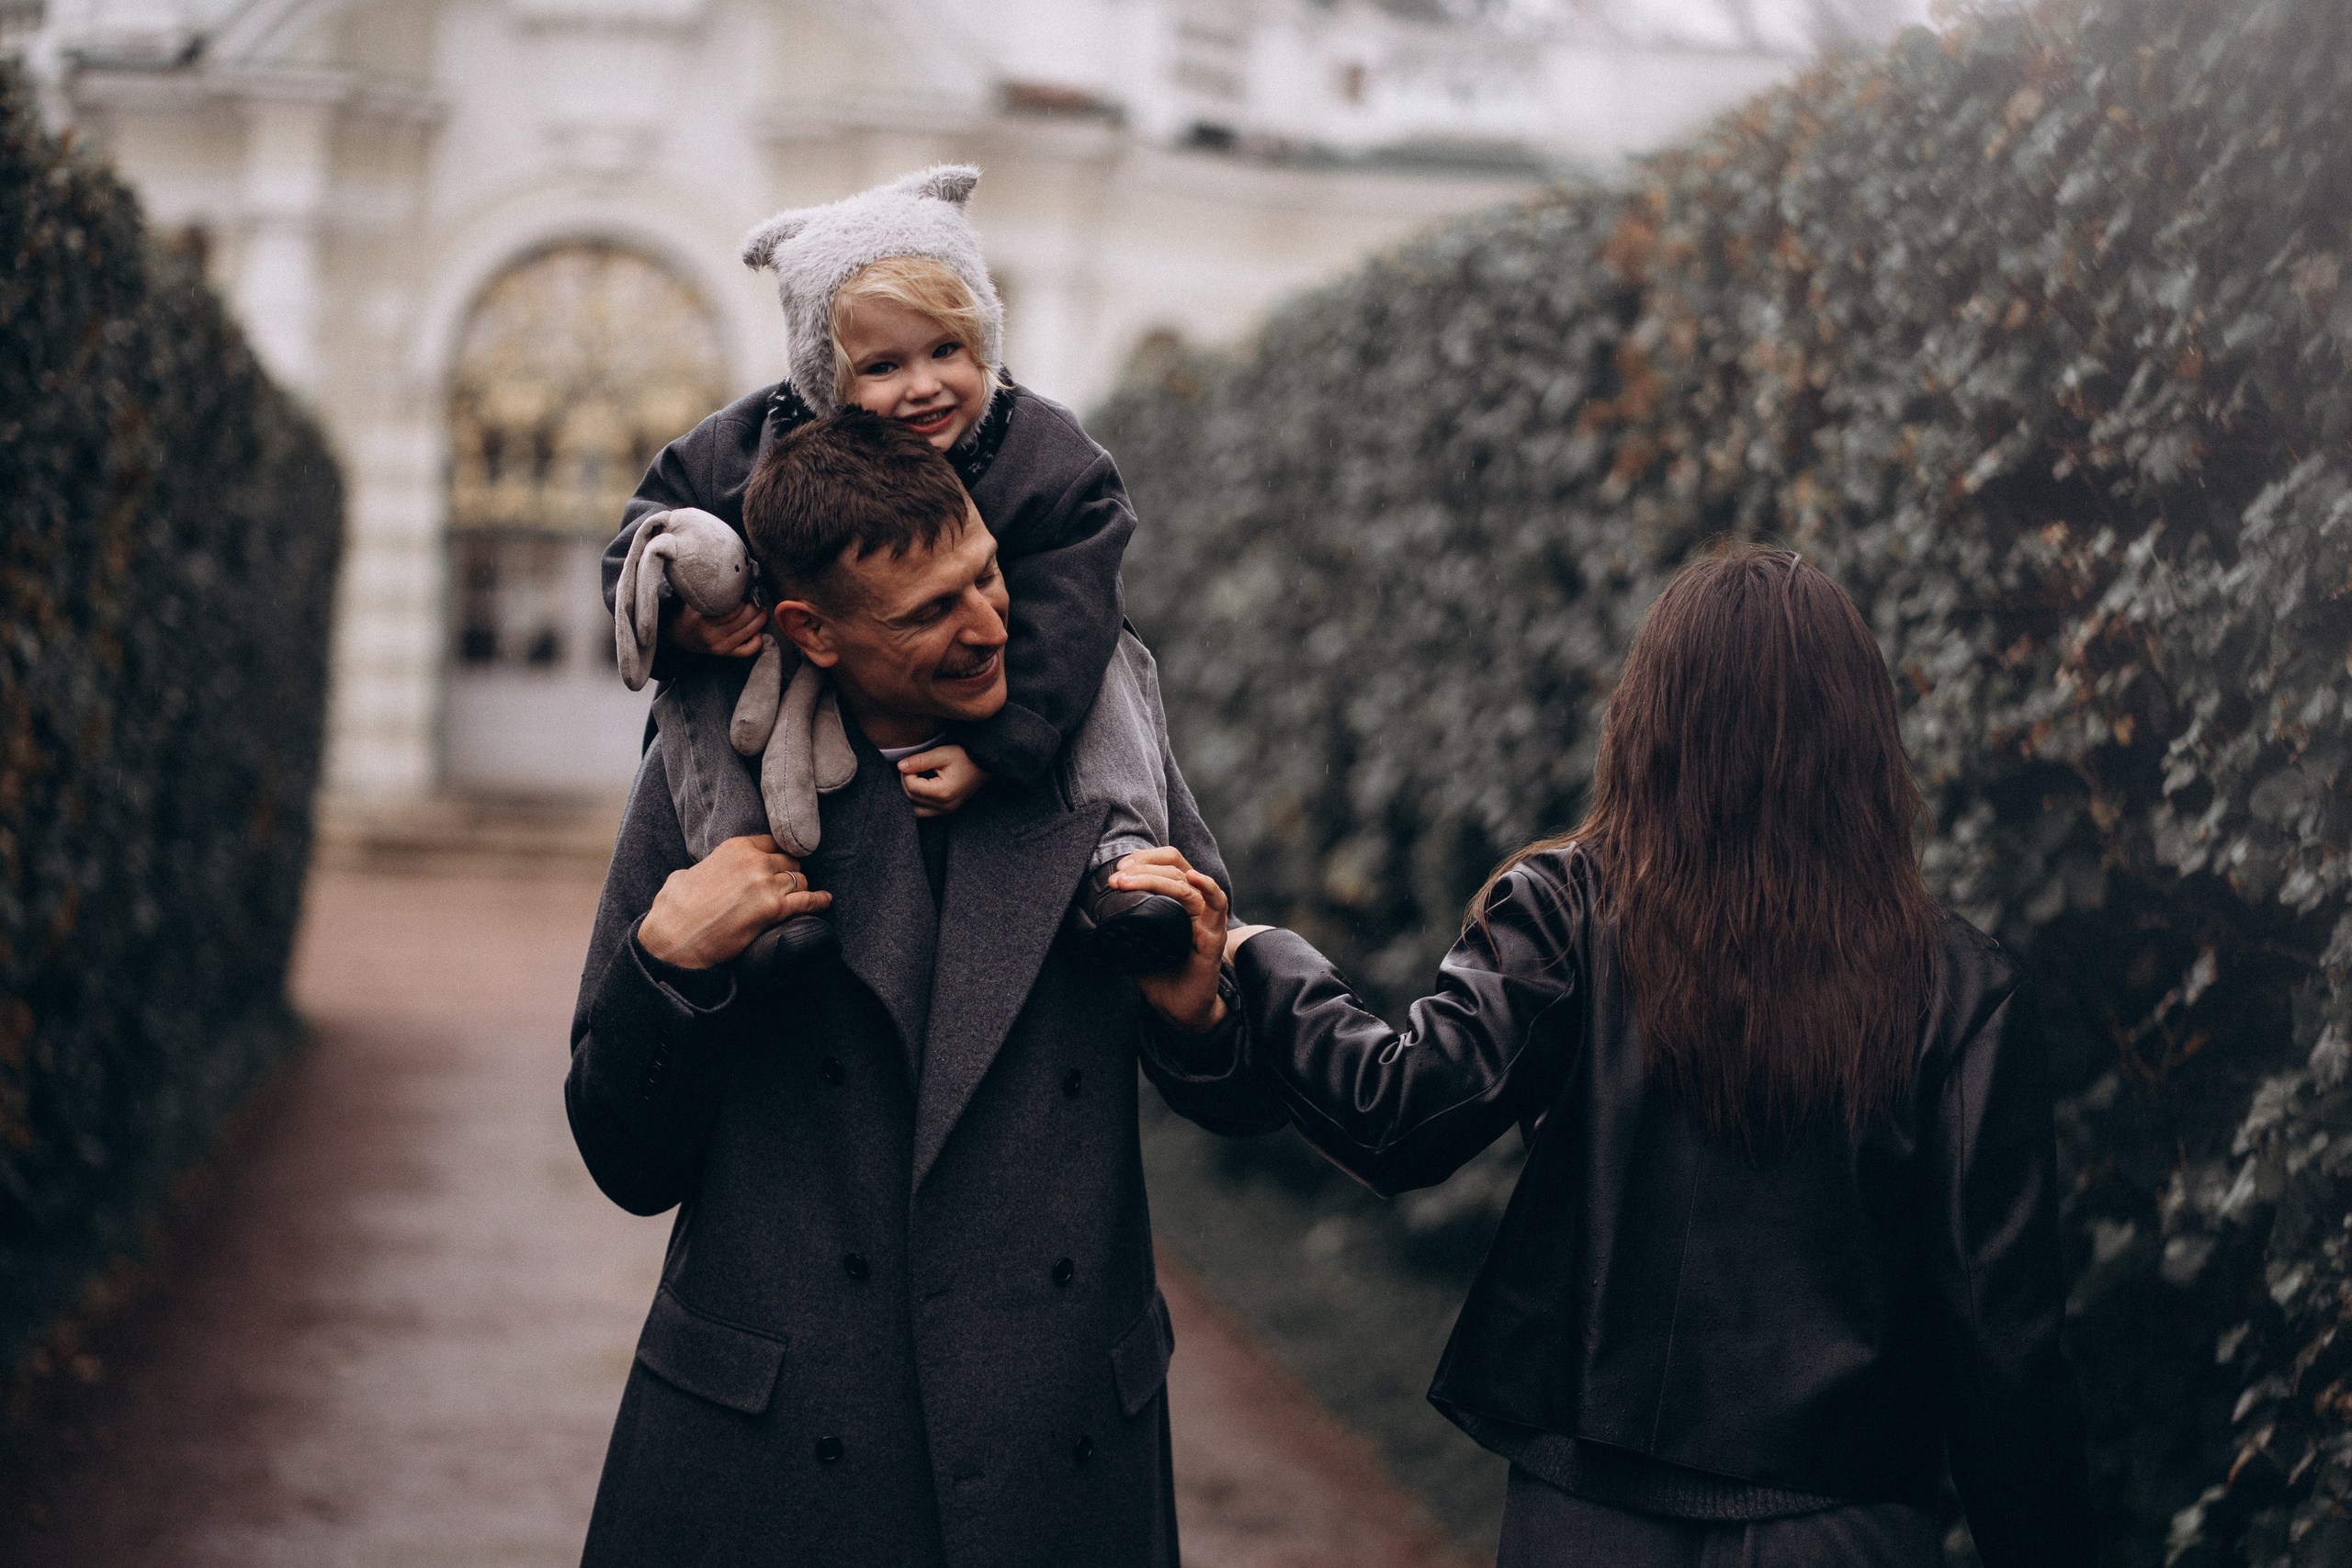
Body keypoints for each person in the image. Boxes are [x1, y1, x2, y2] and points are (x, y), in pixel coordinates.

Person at [1120, 543, 2097, 1567]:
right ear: (1863, 738)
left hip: (1588, 1517)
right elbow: (2004, 1347)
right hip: (1843, 1525)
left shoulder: (1566, 913)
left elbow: (1400, 1113)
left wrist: (1263, 958)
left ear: (1650, 719)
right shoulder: (1963, 988)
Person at [567, 412, 1283, 1565]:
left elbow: (1243, 1107)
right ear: (812, 630)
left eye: (986, 576)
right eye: (928, 612)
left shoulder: (1099, 759)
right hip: (769, 1460)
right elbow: (623, 1160)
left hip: (1055, 1445)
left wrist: (1203, 1015)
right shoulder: (712, 786)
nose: (989, 626)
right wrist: (669, 968)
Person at [603, 163, 1192, 974]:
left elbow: (1071, 603)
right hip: (785, 686)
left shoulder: (1041, 451)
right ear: (823, 378)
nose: (924, 388)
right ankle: (739, 871)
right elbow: (643, 528)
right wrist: (684, 619)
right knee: (697, 686)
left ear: (982, 339)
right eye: (881, 368)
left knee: (1108, 645)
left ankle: (1122, 855)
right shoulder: (753, 445)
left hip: (1019, 695)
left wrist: (1000, 744)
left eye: (947, 349)